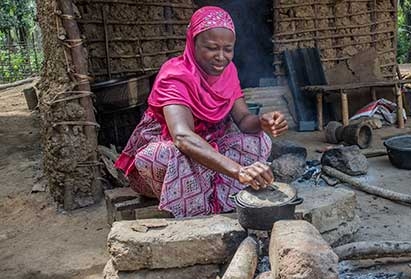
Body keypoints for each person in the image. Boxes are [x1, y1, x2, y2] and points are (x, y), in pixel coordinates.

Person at [115, 6, 288, 218]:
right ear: (193, 43)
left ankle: (210, 192)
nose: (221, 57)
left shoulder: (228, 72)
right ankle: (195, 196)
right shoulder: (175, 75)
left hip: (210, 151)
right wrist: (238, 171)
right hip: (174, 154)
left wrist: (263, 121)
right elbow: (182, 137)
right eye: (212, 48)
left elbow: (243, 119)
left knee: (258, 140)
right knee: (160, 156)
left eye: (228, 49)